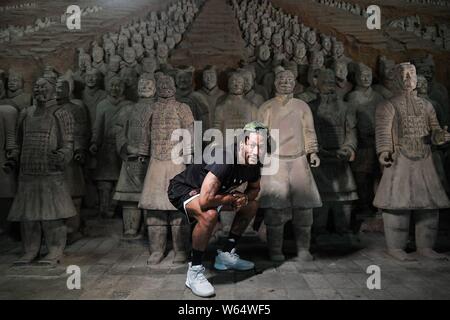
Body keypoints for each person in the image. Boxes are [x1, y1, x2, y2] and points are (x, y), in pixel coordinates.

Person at [167, 121, 269, 298]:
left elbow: (255, 189)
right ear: (242, 142)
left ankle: (226, 254)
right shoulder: (225, 159)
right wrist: (231, 198)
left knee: (252, 204)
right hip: (185, 189)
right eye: (252, 145)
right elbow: (206, 201)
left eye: (261, 146)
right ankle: (194, 271)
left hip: (215, 193)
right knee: (209, 215)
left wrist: (244, 198)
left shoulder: (254, 162)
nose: (256, 151)